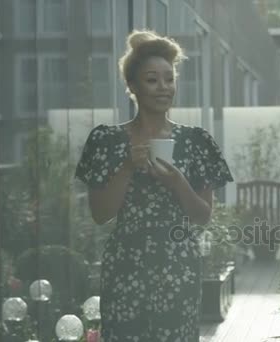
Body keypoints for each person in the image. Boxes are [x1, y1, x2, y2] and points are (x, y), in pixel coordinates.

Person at [75, 29, 234, 341]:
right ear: (132, 86)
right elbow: (100, 214)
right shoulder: (106, 140)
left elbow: (203, 217)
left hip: (178, 269)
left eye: (169, 79)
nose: (164, 87)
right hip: (124, 268)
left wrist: (177, 182)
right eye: (152, 79)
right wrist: (127, 167)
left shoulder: (197, 141)